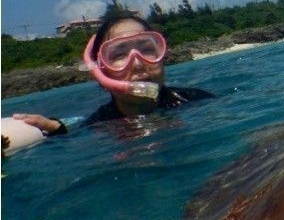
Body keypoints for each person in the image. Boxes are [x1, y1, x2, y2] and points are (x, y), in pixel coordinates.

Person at [11, 11, 214, 137]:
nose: (138, 64)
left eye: (147, 49)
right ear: (101, 71)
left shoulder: (198, 101)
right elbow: (72, 136)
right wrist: (56, 129)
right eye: (118, 54)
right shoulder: (99, 126)